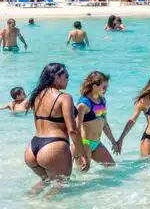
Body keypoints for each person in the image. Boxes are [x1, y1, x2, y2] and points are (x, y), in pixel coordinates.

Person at [24, 63, 88, 191]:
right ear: (56, 77)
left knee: (45, 182)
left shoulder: (37, 95)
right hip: (54, 147)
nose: (68, 79)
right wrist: (83, 154)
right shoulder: (64, 97)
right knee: (59, 187)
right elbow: (72, 130)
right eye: (66, 76)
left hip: (33, 148)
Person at [75, 71, 118, 167]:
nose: (106, 90)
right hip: (84, 144)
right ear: (94, 87)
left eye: (107, 87)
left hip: (96, 144)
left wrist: (113, 142)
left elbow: (104, 124)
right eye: (104, 87)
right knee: (82, 176)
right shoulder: (84, 104)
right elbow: (76, 129)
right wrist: (81, 152)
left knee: (112, 168)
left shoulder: (102, 100)